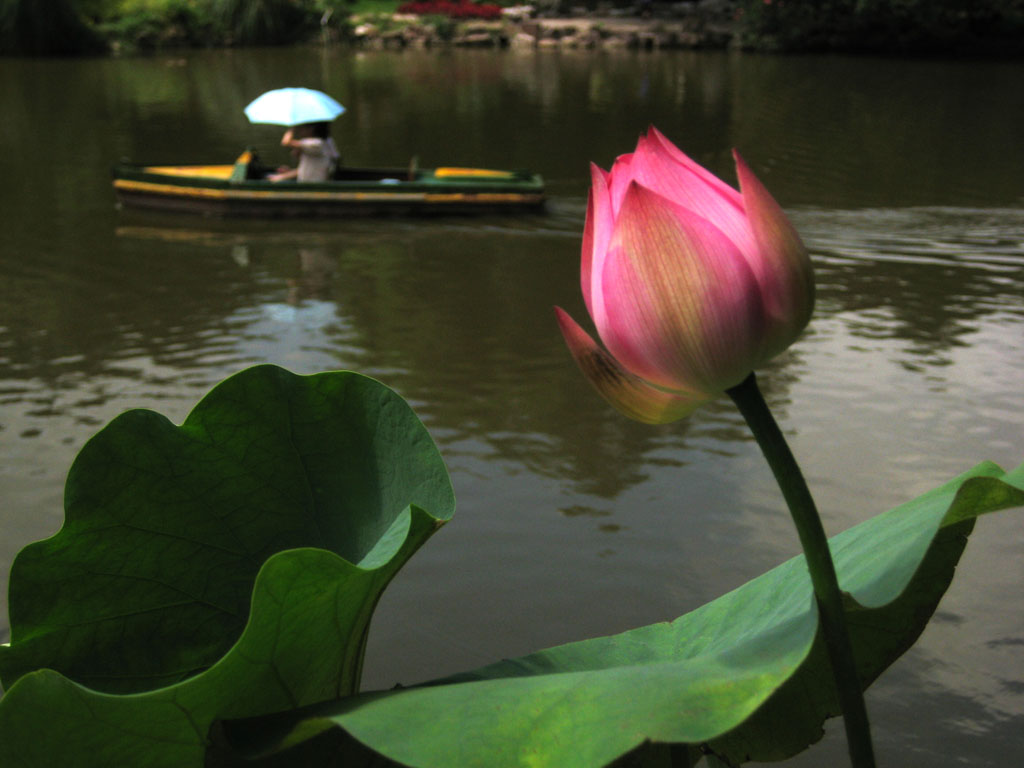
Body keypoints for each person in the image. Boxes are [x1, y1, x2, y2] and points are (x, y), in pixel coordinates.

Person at [268, 122, 340, 182]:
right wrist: (283, 176)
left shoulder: (316, 143)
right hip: (308, 184)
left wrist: (292, 127)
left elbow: (286, 142)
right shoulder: (326, 142)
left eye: (302, 128)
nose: (299, 131)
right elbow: (302, 170)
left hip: (313, 187)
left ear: (311, 129)